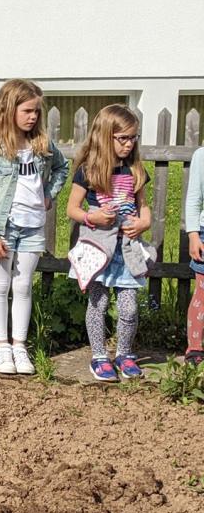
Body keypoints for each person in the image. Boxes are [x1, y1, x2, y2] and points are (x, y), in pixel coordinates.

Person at [0, 80, 69, 374]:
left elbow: (62, 168)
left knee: (24, 285)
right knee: (1, 285)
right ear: (7, 108)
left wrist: (48, 195)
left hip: (32, 226)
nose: (33, 117)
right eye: (27, 110)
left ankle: (20, 345)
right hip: (5, 227)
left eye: (37, 112)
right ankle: (1, 346)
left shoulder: (42, 146)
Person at [66, 104, 152, 381]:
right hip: (99, 250)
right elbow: (72, 209)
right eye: (123, 138)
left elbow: (144, 206)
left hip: (126, 251)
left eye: (133, 138)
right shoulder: (88, 171)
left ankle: (125, 354)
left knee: (129, 307)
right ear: (105, 136)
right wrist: (93, 217)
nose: (129, 144)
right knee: (99, 303)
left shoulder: (135, 170)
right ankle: (99, 356)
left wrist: (144, 223)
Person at [185, 142, 204, 366]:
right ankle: (195, 349)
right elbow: (194, 198)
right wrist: (193, 234)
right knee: (202, 293)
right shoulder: (201, 155)